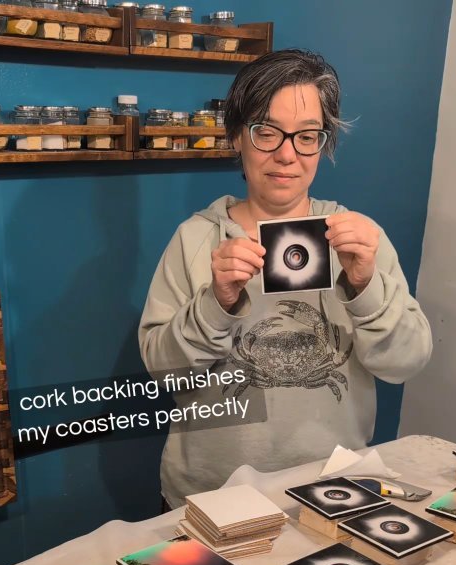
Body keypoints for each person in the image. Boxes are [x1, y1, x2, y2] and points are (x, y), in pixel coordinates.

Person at [139, 49, 432, 510]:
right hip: (211, 495)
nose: (286, 154)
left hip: (333, 487)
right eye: (266, 131)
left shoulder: (358, 241)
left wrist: (364, 286)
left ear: (323, 144)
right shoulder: (196, 240)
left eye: (307, 136)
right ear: (237, 136)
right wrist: (216, 303)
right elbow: (162, 374)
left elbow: (406, 363)